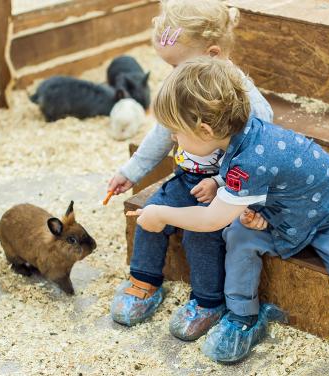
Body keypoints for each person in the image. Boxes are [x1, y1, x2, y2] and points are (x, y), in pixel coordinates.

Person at [136, 57, 329, 366]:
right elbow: (248, 180)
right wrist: (222, 185)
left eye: (175, 132)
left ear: (203, 129)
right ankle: (243, 316)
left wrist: (161, 214)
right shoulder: (240, 136)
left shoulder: (250, 158)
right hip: (280, 214)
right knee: (239, 238)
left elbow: (211, 218)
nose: (173, 138)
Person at [108, 0, 273, 342]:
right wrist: (132, 171)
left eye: (175, 64)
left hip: (228, 189)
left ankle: (207, 301)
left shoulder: (249, 103)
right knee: (151, 214)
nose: (172, 73)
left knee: (202, 235)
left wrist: (218, 181)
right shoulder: (186, 81)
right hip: (186, 177)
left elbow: (257, 154)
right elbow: (162, 131)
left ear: (212, 54)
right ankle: (144, 281)